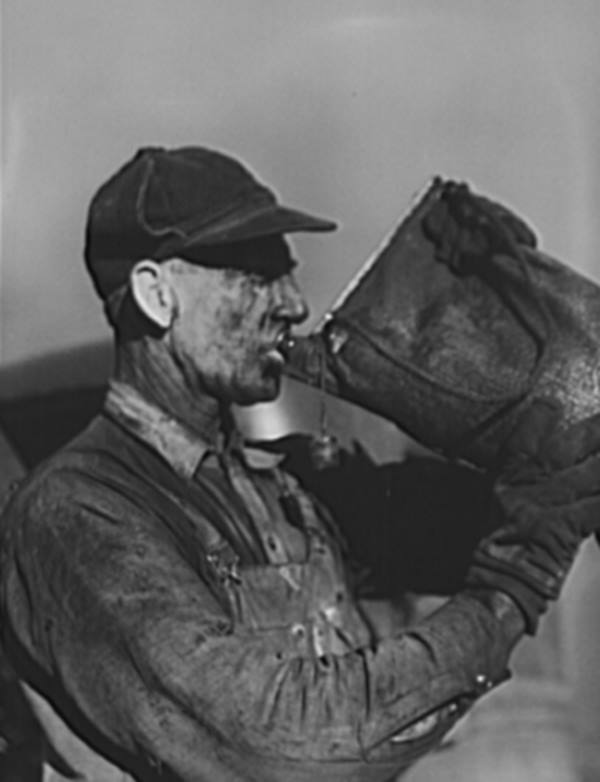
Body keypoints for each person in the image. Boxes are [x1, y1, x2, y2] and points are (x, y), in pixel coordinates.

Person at [1, 146, 600, 782]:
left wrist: (527, 367)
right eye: (257, 274)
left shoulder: (280, 485)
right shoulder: (76, 514)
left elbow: (503, 515)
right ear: (157, 294)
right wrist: (511, 589)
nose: (293, 304)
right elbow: (282, 742)